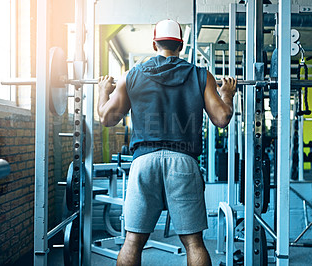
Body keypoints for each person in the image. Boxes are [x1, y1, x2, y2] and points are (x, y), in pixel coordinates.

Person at [97, 19, 237, 266]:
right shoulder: (201, 75)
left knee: (132, 241)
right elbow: (222, 117)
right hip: (183, 163)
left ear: (154, 44)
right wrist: (226, 94)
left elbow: (106, 118)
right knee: (194, 243)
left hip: (144, 162)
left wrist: (102, 90)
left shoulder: (131, 75)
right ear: (180, 46)